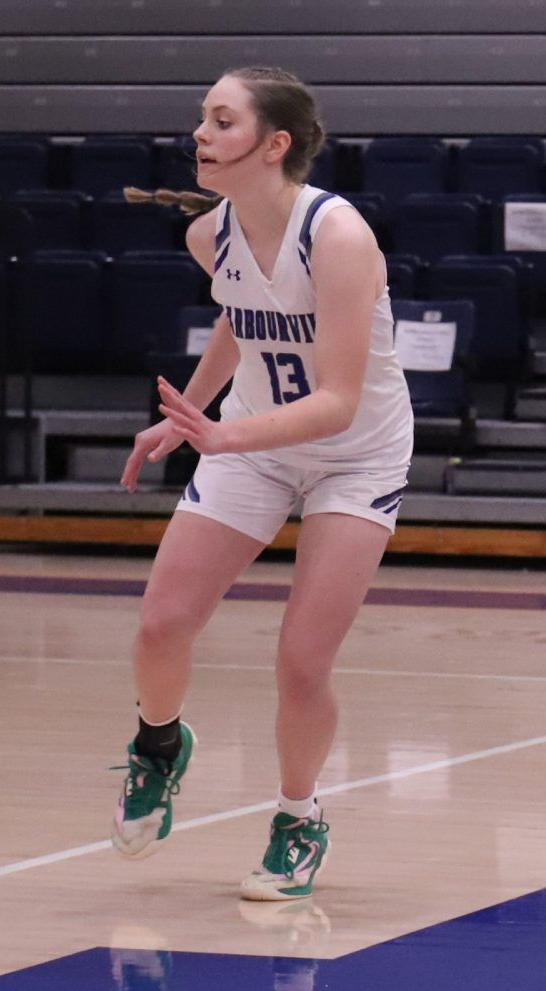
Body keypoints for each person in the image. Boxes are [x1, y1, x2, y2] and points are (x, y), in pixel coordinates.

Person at [112, 67, 413, 901]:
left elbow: (338, 401)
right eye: (201, 120)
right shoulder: (210, 236)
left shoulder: (340, 236)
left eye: (221, 120)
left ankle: (298, 817)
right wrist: (188, 415)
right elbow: (242, 320)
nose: (199, 135)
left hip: (355, 452)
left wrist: (221, 432)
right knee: (162, 623)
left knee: (301, 662)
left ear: (274, 144)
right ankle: (160, 746)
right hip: (250, 433)